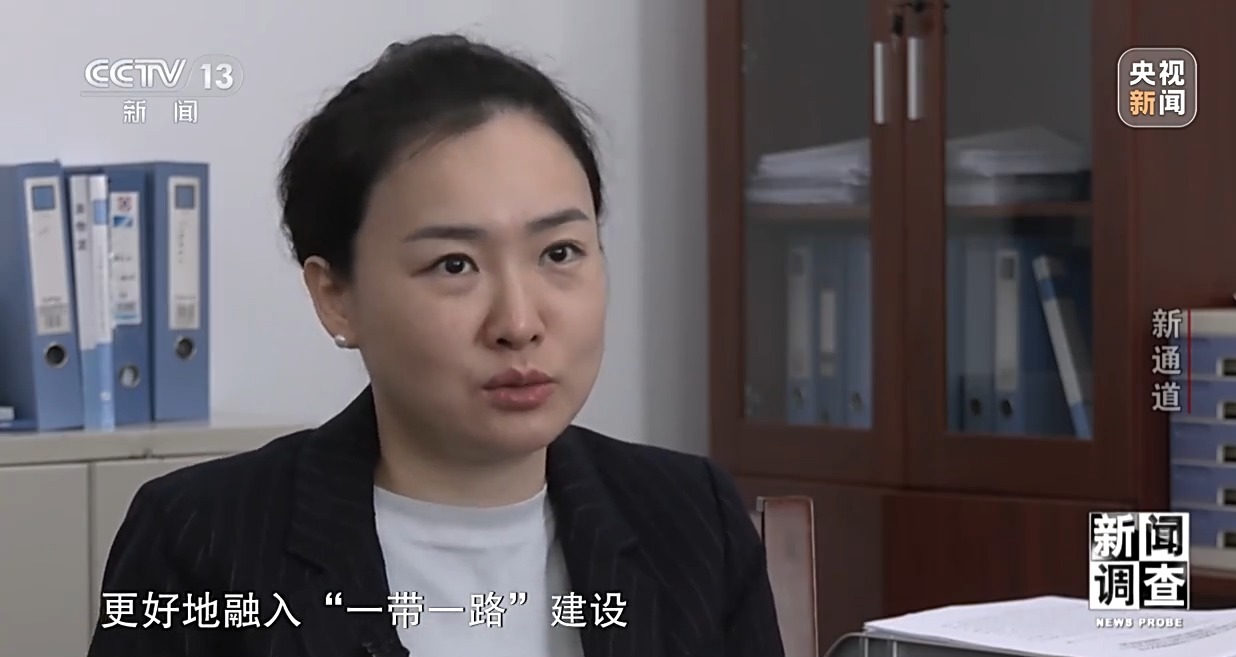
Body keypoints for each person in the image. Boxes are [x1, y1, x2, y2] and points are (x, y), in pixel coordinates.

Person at [87, 34, 785, 657]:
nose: (519, 321)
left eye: (560, 252)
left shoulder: (692, 517)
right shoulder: (201, 540)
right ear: (336, 296)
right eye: (455, 264)